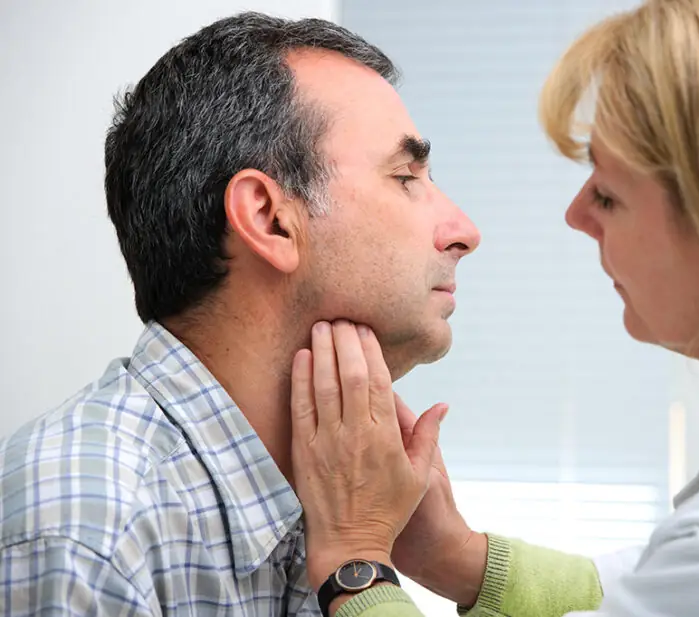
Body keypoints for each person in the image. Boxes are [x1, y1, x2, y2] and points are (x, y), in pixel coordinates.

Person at [289, 1, 699, 616]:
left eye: (610, 195)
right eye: (406, 179)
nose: (576, 215)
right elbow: (646, 591)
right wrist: (456, 558)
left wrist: (355, 562)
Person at [0, 12, 479, 616]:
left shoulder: (339, 497)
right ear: (269, 218)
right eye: (406, 177)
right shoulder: (88, 539)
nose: (465, 232)